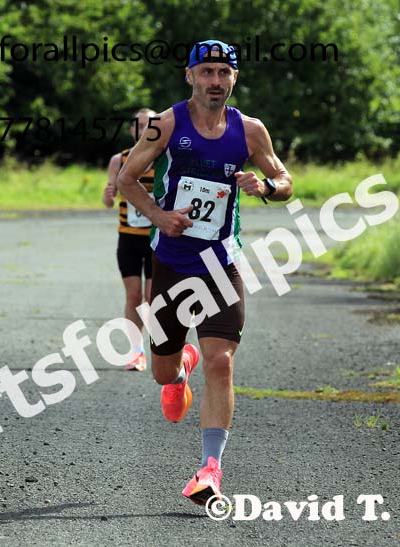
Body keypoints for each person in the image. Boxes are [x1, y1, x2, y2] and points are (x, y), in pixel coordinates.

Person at [116, 40, 293, 505]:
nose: (215, 81)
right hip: (171, 262)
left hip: (223, 261)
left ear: (234, 78)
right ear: (189, 75)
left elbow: (286, 182)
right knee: (161, 371)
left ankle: (209, 470)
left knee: (222, 360)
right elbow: (126, 179)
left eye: (224, 72)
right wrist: (159, 216)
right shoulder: (166, 125)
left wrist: (266, 186)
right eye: (207, 71)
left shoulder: (251, 131)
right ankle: (179, 372)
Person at [102, 108, 158, 371]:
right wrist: (109, 194)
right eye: (140, 125)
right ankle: (136, 352)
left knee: (153, 298)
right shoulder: (119, 160)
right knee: (134, 296)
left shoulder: (165, 160)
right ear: (132, 130)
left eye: (150, 124)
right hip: (128, 239)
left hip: (158, 239)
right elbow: (107, 201)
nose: (144, 129)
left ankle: (161, 351)